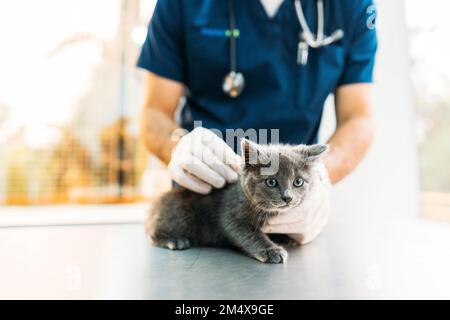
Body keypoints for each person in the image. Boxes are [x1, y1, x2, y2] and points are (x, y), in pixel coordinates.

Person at [138, 0, 377, 244]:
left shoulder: (351, 6)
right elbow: (154, 111)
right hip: (201, 212)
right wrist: (178, 147)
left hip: (289, 220)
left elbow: (357, 118)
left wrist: (321, 174)